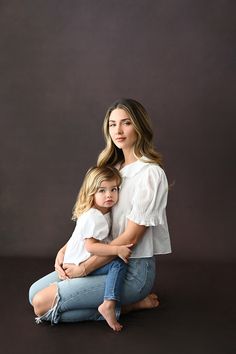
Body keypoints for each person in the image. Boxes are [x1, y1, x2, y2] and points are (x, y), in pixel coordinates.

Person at [29, 98, 171, 327]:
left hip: (130, 270)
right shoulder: (113, 171)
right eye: (113, 124)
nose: (118, 130)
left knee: (41, 304)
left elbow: (131, 239)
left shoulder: (150, 174)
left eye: (126, 123)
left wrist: (84, 269)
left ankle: (127, 304)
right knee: (33, 293)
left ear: (140, 126)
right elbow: (90, 219)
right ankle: (123, 306)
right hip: (99, 259)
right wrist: (65, 251)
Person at [62, 165, 132, 331]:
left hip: (77, 260)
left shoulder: (103, 212)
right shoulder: (94, 217)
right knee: (118, 263)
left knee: (113, 263)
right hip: (77, 264)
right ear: (91, 192)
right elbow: (91, 247)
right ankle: (108, 303)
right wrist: (117, 250)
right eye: (102, 190)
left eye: (113, 189)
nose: (109, 195)